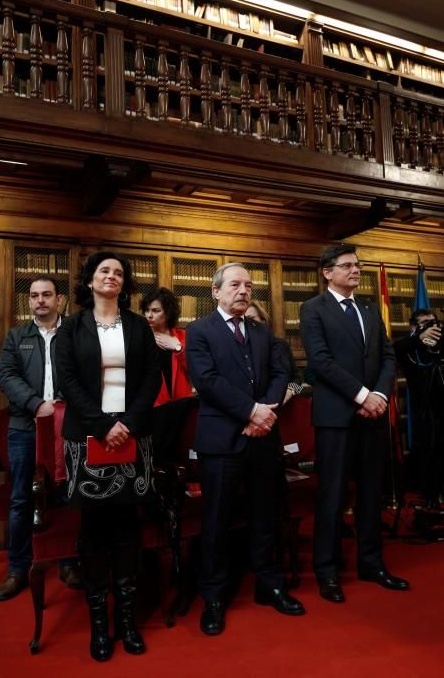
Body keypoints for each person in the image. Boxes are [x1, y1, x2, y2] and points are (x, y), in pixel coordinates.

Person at [186, 262, 305, 636]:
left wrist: (265, 412)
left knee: (264, 515)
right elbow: (207, 381)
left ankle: (269, 584)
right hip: (222, 440)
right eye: (235, 285)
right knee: (217, 521)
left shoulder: (260, 331)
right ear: (215, 291)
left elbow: (280, 374)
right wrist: (251, 411)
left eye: (249, 286)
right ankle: (215, 596)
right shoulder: (199, 331)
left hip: (264, 438)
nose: (243, 291)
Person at [56, 252, 161, 662]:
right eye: (105, 270)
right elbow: (67, 379)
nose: (112, 276)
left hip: (133, 435)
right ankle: (100, 623)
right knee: (95, 528)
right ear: (90, 279)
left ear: (125, 282)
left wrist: (129, 423)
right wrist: (102, 425)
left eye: (119, 272)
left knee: (127, 525)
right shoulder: (72, 327)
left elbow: (153, 376)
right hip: (87, 436)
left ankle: (129, 621)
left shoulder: (137, 326)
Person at [300, 244, 409, 603]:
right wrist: (363, 396)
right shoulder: (313, 309)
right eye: (347, 265)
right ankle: (327, 571)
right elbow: (320, 362)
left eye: (358, 265)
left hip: (373, 415)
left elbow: (388, 356)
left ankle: (371, 562)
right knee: (332, 495)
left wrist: (378, 395)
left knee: (371, 493)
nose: (355, 270)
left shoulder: (369, 308)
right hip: (337, 417)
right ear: (327, 272)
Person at [0, 276, 81, 602]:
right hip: (24, 427)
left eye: (47, 295)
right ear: (29, 301)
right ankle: (18, 568)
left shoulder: (73, 334)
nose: (40, 300)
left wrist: (59, 405)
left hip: (66, 427)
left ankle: (68, 562)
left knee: (66, 493)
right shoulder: (17, 337)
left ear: (59, 300)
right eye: (34, 296)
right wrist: (37, 405)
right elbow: (6, 376)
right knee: (20, 499)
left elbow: (83, 373)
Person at [394, 309, 444, 507]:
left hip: (442, 402)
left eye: (434, 322)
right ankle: (429, 493)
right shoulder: (409, 346)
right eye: (425, 323)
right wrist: (420, 338)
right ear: (413, 326)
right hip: (423, 407)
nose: (431, 327)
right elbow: (395, 349)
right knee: (427, 448)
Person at [140, 287, 193, 405]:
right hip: (153, 405)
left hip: (183, 403)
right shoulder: (140, 338)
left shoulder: (183, 336)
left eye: (155, 310)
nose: (149, 315)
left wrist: (178, 347)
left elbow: (196, 369)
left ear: (168, 313)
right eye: (146, 310)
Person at [245, 299, 303, 403]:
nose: (247, 323)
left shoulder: (281, 345)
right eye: (243, 320)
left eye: (251, 318)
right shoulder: (241, 349)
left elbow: (298, 378)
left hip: (280, 407)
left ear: (263, 320)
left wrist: (291, 391)